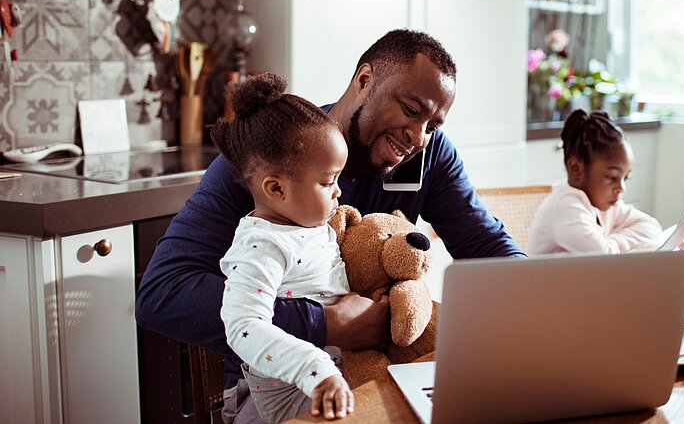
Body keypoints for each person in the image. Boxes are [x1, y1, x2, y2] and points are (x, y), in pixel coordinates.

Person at [135, 29, 524, 421]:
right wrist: (325, 324)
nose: (418, 136)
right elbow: (163, 295)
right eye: (410, 109)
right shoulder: (272, 158)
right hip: (282, 393)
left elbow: (486, 245)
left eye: (432, 126)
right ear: (364, 80)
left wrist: (545, 298)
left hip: (372, 376)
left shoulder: (430, 157)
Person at [212, 73, 353, 421]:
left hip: (335, 378)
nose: (338, 192)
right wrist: (316, 370)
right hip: (291, 398)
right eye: (328, 182)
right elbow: (244, 325)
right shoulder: (262, 245)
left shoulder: (308, 225)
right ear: (276, 190)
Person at [528, 109, 661, 254]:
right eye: (612, 177)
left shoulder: (605, 204)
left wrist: (612, 242)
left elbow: (652, 227)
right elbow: (602, 256)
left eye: (625, 178)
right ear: (576, 169)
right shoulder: (566, 206)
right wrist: (612, 245)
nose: (621, 188)